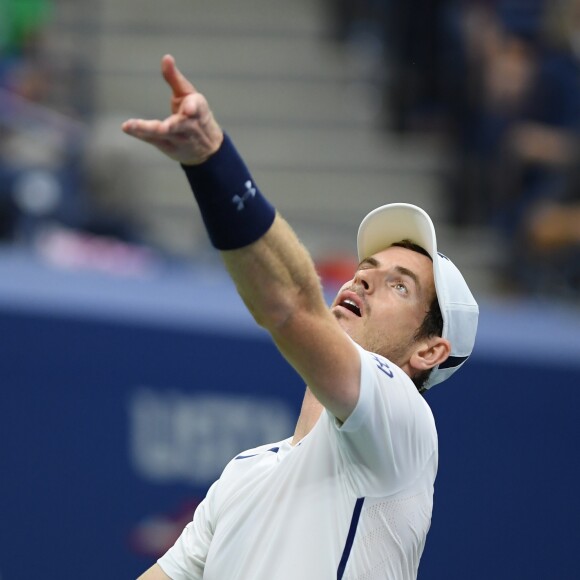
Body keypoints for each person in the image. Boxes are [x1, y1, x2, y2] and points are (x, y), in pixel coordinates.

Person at [122, 54, 479, 580]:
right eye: (366, 268)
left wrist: (212, 161)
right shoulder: (244, 473)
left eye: (399, 285)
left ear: (427, 352)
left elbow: (289, 304)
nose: (363, 280)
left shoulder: (404, 424)